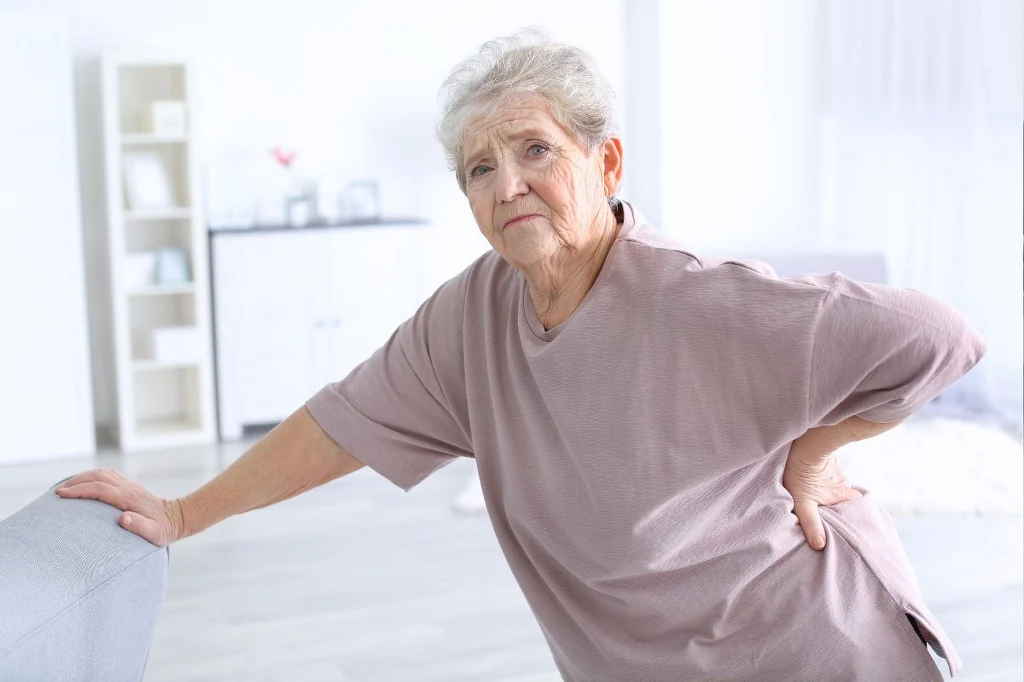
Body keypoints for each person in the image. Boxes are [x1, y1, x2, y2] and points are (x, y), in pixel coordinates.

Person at [58, 31, 985, 681]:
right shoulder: (472, 317)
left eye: (536, 149)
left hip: (812, 655)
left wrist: (812, 451)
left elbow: (940, 336)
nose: (509, 186)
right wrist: (183, 511)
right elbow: (341, 425)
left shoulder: (703, 301)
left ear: (608, 162)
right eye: (479, 168)